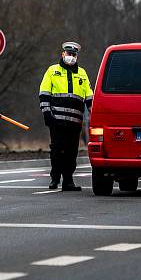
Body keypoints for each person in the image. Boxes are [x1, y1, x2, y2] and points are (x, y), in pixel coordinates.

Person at [38, 41, 93, 191]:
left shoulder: (82, 73)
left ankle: (68, 181)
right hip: (56, 120)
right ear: (63, 54)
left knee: (71, 152)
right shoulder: (52, 71)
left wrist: (94, 115)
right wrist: (47, 113)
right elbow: (44, 94)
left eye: (74, 55)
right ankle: (55, 178)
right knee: (57, 150)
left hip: (75, 122)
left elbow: (89, 97)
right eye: (69, 54)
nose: (71, 57)